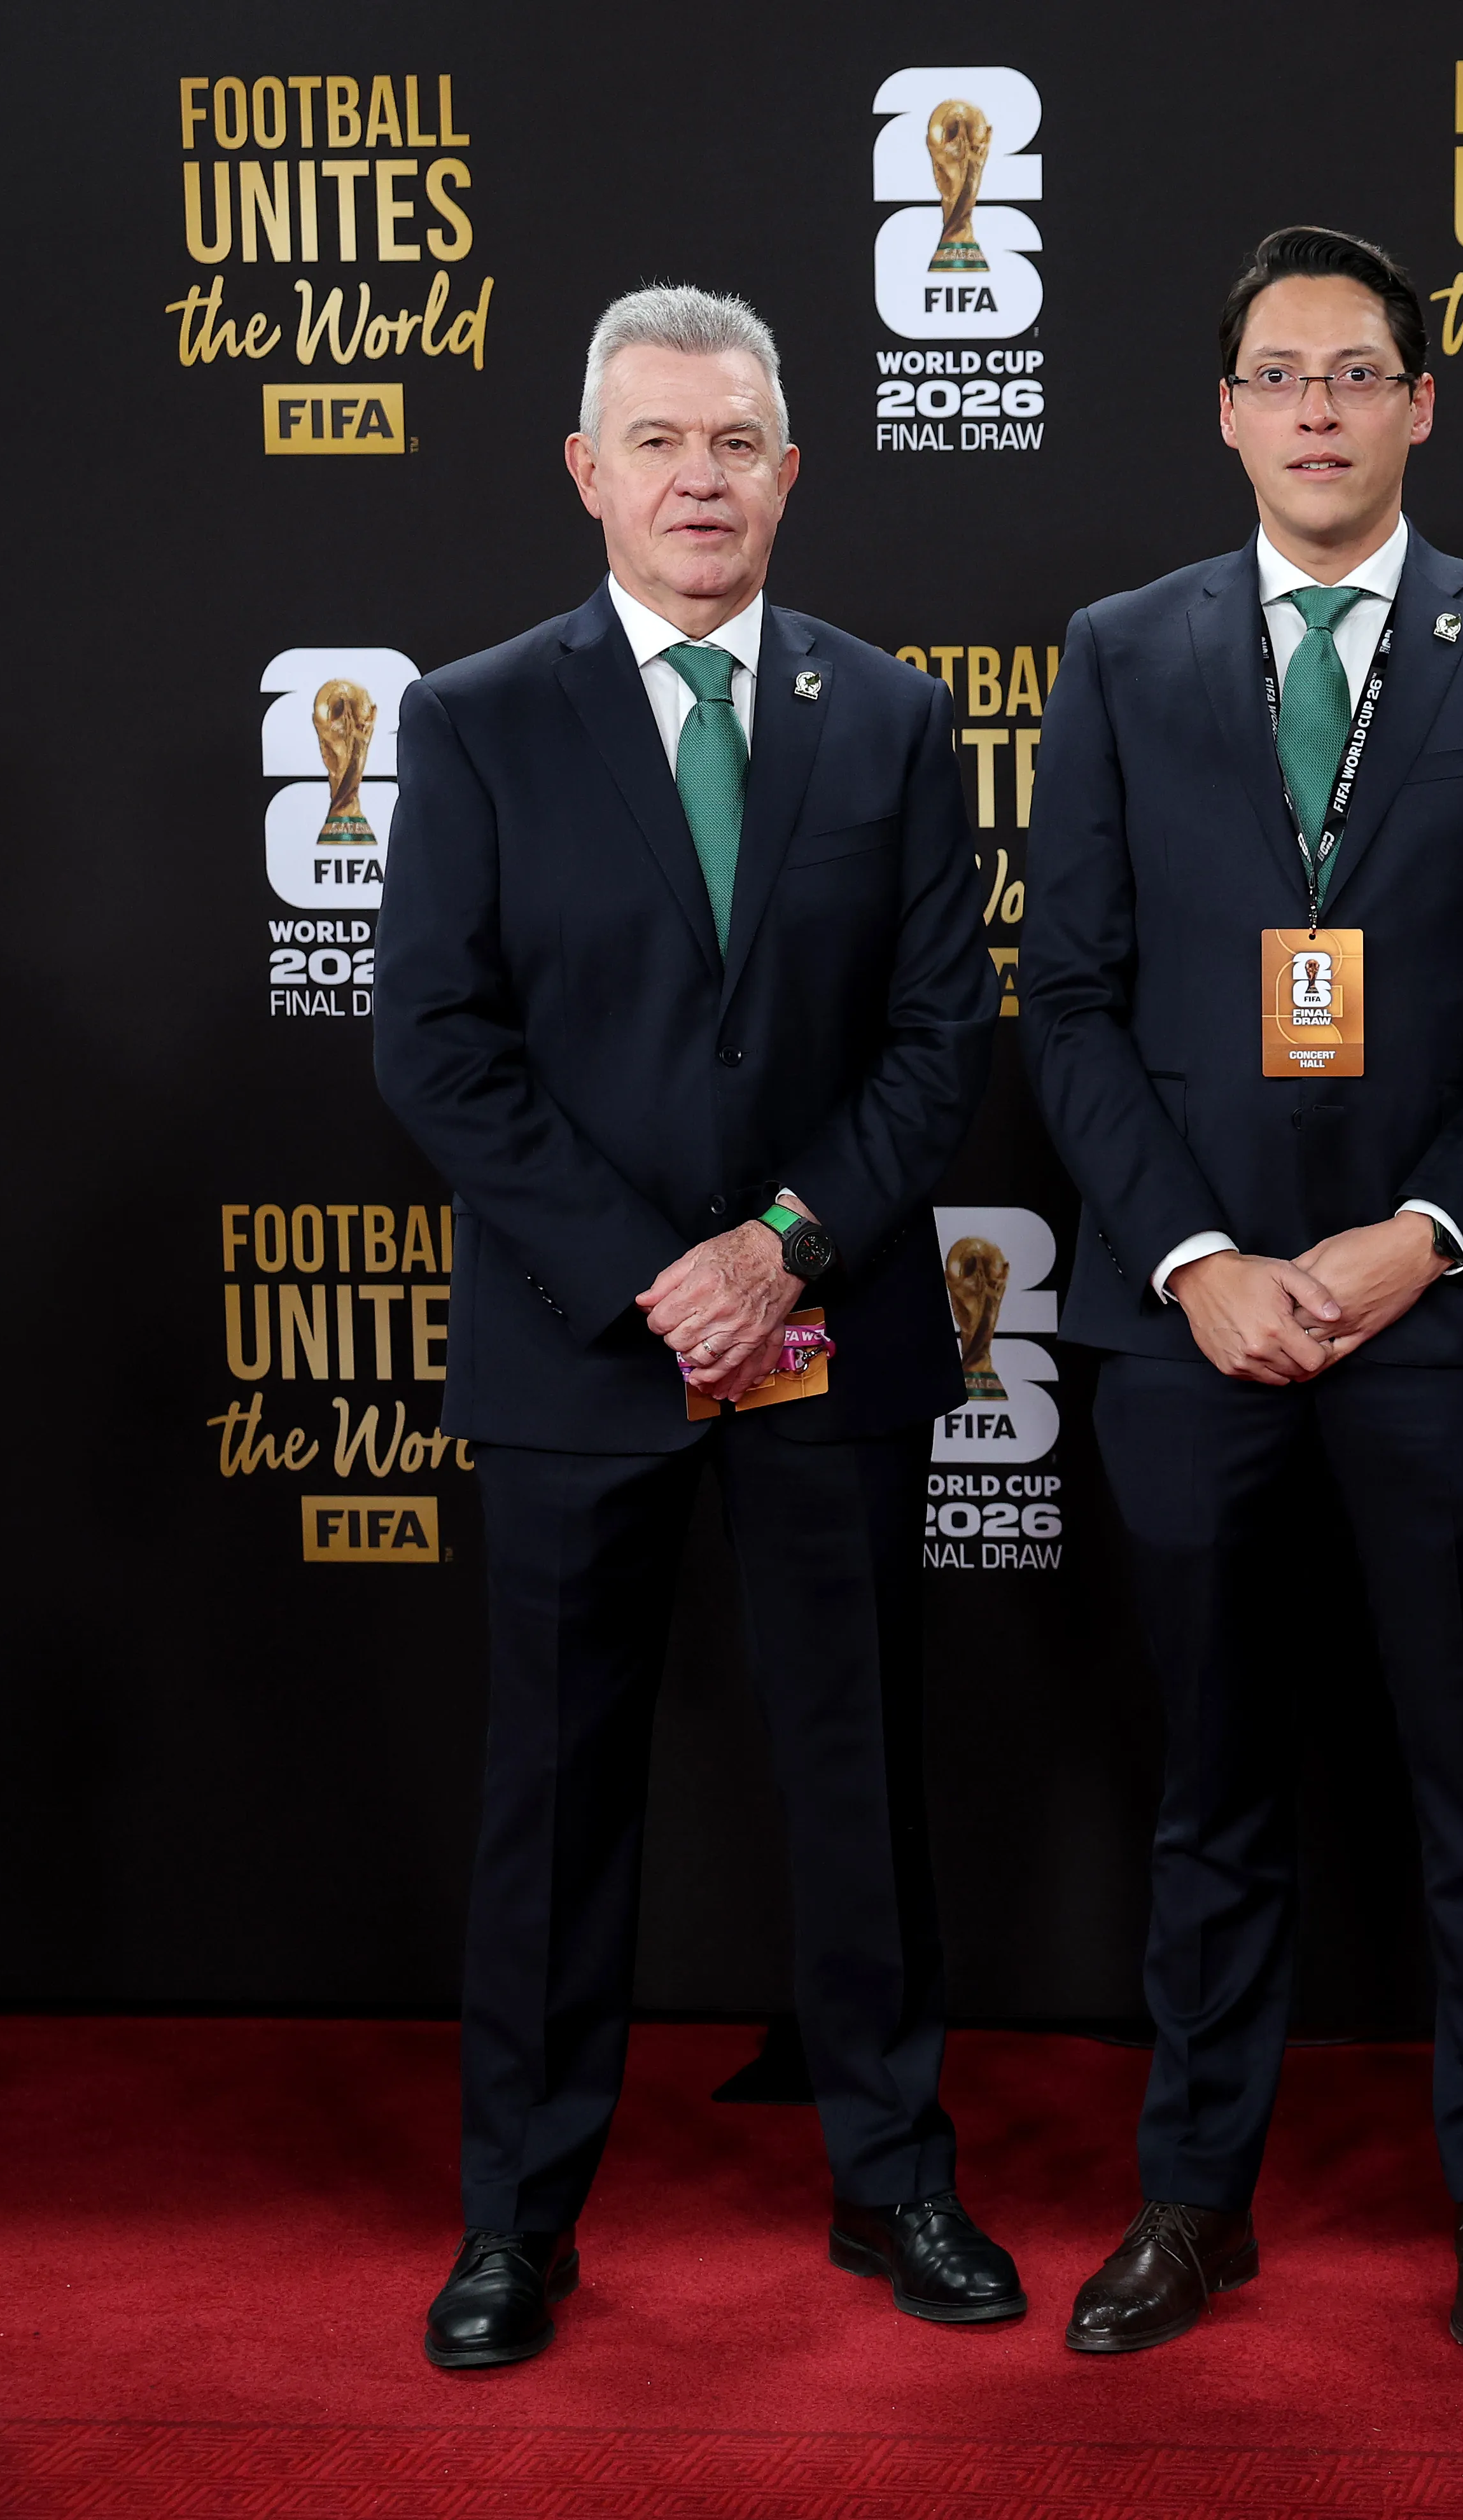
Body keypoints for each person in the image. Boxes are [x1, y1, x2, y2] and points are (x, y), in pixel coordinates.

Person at [374, 286, 1011, 2368]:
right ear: (588, 472)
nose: (700, 478)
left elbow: (939, 1038)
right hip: (583, 1345)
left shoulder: (890, 717)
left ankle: (896, 2179)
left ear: (793, 471)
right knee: (556, 1796)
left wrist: (783, 1249)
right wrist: (664, 1281)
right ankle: (516, 2220)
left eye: (736, 440)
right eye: (657, 441)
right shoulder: (477, 717)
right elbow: (439, 1045)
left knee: (863, 1776)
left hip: (832, 1330)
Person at [1019, 226, 1463, 2358]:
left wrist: (1416, 1237)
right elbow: (1071, 1001)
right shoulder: (1120, 652)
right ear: (1226, 411)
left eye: (1358, 373)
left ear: (1422, 404)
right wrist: (1198, 1261)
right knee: (1209, 1789)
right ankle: (1194, 2200)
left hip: (1439, 1320)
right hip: (1191, 1329)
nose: (1319, 410)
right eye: (1280, 375)